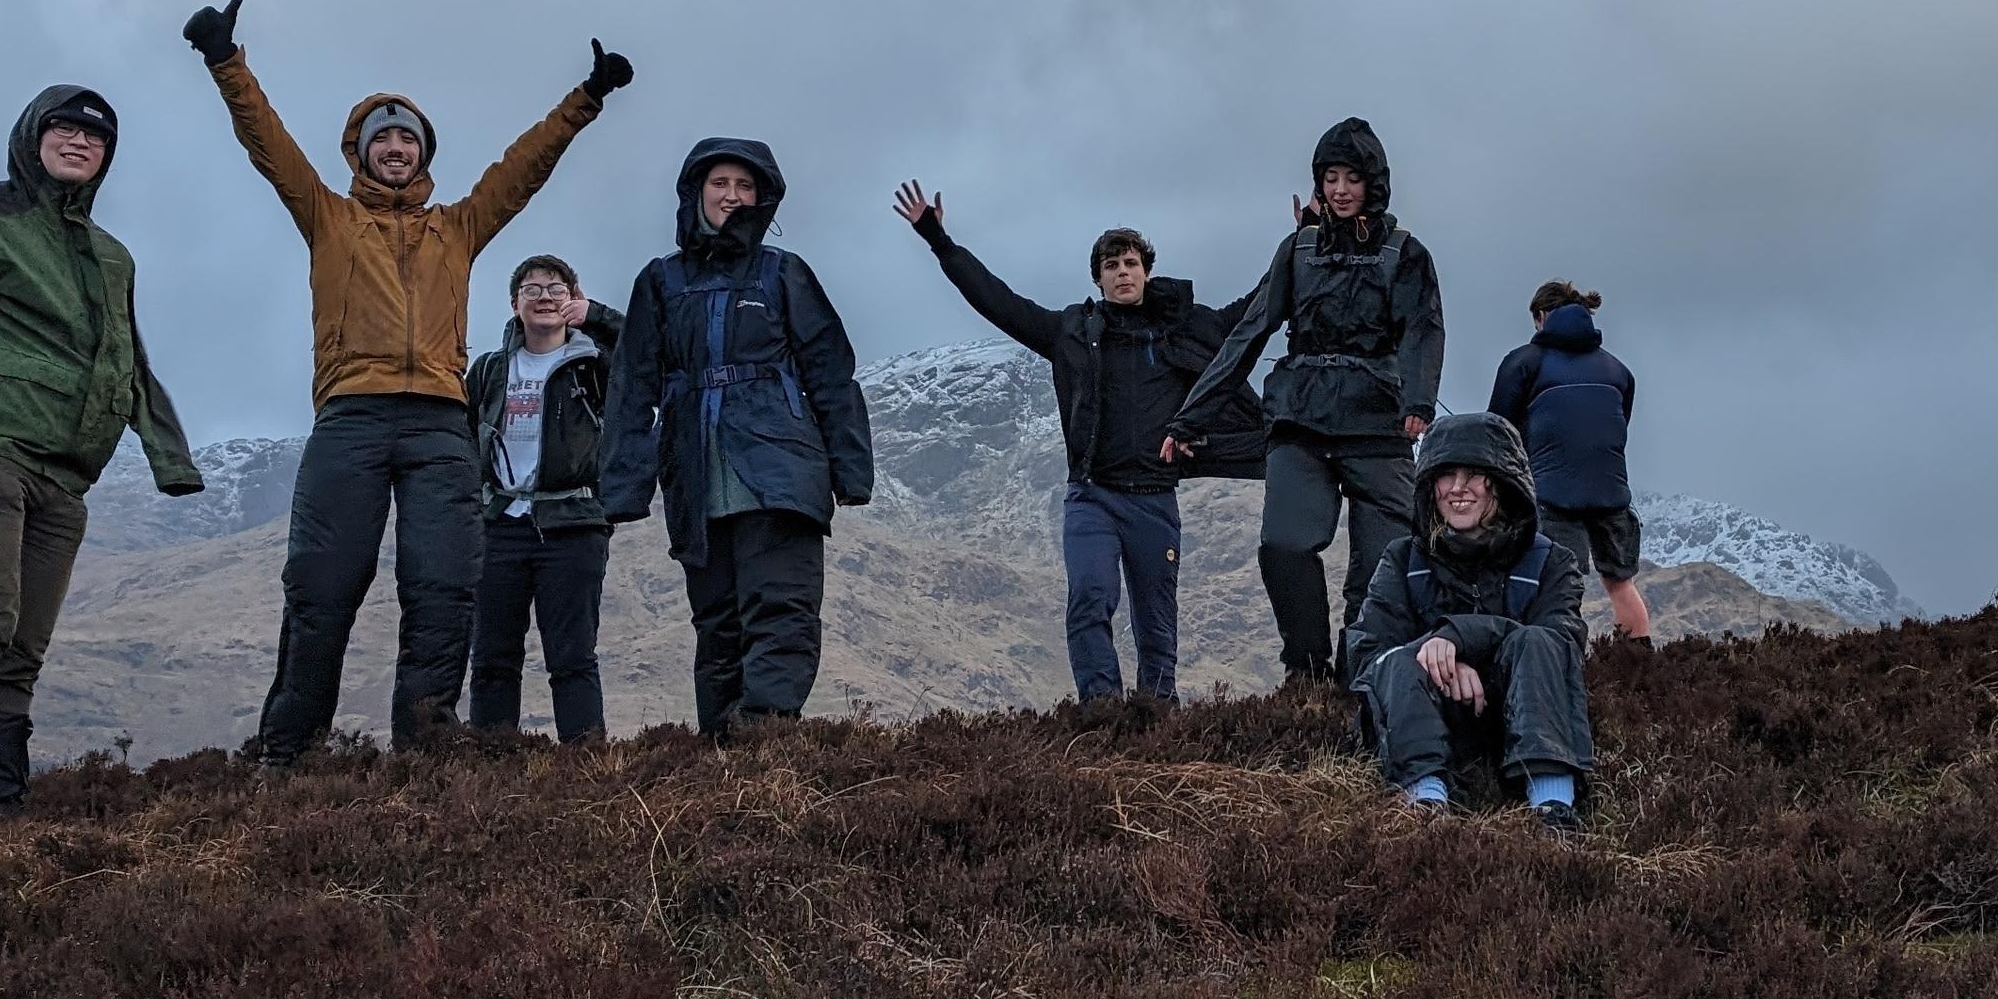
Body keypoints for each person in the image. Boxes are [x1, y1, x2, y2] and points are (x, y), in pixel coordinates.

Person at [184, 0, 634, 760]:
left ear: (424, 154)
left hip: (437, 421)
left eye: (407, 138)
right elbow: (270, 145)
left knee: (443, 591)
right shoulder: (327, 217)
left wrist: (584, 99)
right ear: (358, 152)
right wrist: (227, 63)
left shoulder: (457, 227)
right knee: (321, 588)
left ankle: (424, 755)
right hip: (351, 417)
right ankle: (289, 753)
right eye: (381, 138)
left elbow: (520, 171)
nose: (395, 147)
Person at [0, 86, 203, 815]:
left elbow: (128, 359)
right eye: (63, 127)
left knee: (22, 648)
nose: (78, 142)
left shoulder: (112, 257)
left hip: (67, 480)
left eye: (95, 137)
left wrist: (170, 456)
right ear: (31, 137)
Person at [890, 182, 1267, 702]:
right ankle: (1102, 712)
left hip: (1155, 498)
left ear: (1147, 272)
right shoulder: (1071, 332)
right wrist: (940, 241)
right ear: (1099, 278)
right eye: (1111, 266)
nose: (1123, 273)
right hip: (1092, 496)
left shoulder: (1185, 331)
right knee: (1090, 598)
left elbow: (1256, 310)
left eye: (1131, 263)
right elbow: (997, 301)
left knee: (1157, 620)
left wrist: (1307, 237)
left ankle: (1158, 720)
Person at [599, 140, 875, 735]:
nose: (732, 195)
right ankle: (720, 758)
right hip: (696, 473)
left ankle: (764, 738)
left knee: (781, 611)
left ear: (762, 197)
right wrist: (623, 484)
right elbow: (632, 383)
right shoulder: (660, 281)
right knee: (717, 624)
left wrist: (850, 470)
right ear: (695, 194)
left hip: (780, 469)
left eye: (744, 186)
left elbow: (830, 371)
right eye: (719, 183)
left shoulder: (784, 272)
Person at [1168, 118, 1444, 682]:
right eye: (1330, 178)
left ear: (1374, 184)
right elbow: (1249, 333)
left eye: (1352, 178)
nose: (1341, 190)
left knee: (1385, 561)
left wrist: (1419, 400)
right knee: (1284, 546)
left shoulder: (1405, 253)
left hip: (1378, 425)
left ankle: (1362, 672)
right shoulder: (1298, 250)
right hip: (1301, 421)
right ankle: (1308, 670)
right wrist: (1190, 418)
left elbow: (1423, 328)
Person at [1344, 413, 1592, 829]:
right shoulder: (1402, 560)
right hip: (1426, 715)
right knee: (1393, 662)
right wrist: (1439, 657)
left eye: (1475, 474)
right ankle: (1426, 801)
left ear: (1504, 484)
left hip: (1519, 716)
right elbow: (1368, 652)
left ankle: (1553, 806)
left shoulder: (1551, 561)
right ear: (1429, 486)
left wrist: (1457, 637)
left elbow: (1564, 642)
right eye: (1446, 475)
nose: (1458, 488)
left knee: (1542, 644)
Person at [462, 254, 621, 742]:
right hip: (499, 525)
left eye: (557, 289)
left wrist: (598, 316)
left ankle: (586, 767)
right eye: (532, 290)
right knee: (491, 658)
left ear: (573, 298)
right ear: (515, 304)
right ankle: (490, 766)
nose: (545, 298)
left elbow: (645, 356)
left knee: (572, 656)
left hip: (572, 523)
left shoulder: (594, 366)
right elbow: (464, 438)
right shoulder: (490, 370)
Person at [1489, 280, 1653, 642]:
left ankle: (1564, 664)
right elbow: (1619, 425)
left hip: (1552, 495)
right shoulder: (1618, 370)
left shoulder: (1523, 363)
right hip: (1612, 492)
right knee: (1620, 582)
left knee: (1560, 584)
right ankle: (1639, 668)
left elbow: (1497, 429)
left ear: (1542, 316)